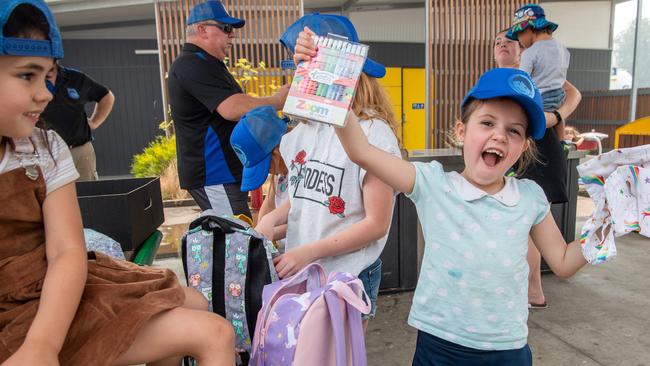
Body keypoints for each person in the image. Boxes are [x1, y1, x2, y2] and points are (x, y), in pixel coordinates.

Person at [0, 1, 235, 365]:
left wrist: (43, 345)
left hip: (52, 287)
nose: (46, 92)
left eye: (49, 75)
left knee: (198, 303)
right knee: (209, 327)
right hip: (13, 314)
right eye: (27, 75)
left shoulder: (45, 147)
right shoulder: (192, 66)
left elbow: (66, 252)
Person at [328, 64, 596, 364]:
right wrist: (328, 74)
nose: (500, 136)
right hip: (440, 346)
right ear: (461, 131)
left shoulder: (530, 197)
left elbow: (562, 262)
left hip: (508, 350)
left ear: (523, 147)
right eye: (487, 123)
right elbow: (360, 151)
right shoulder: (433, 184)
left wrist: (607, 226)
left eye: (514, 130)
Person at [255, 14, 402, 326]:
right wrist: (271, 219)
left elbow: (377, 224)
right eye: (298, 68)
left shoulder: (375, 135)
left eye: (307, 67)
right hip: (305, 270)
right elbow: (303, 197)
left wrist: (307, 252)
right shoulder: (299, 133)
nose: (298, 78)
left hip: (349, 276)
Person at [168, 0, 289, 215]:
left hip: (222, 172)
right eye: (226, 28)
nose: (232, 34)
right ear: (202, 30)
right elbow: (232, 108)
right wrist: (278, 100)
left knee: (235, 237)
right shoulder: (193, 63)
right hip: (215, 174)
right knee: (236, 239)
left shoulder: (207, 63)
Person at [494, 28, 582, 308]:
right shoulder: (496, 80)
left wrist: (555, 116)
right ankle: (527, 289)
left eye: (508, 41)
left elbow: (574, 94)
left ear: (523, 49)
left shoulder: (537, 74)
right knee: (511, 224)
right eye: (497, 42)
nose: (502, 45)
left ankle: (533, 290)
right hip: (510, 153)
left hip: (538, 152)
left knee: (528, 224)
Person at [42, 61, 115, 181]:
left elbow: (106, 96)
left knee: (87, 195)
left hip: (81, 151)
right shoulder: (29, 82)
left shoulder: (76, 78)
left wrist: (94, 122)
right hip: (47, 154)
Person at [506, 4, 570, 141]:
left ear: (530, 29)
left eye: (519, 35)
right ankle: (562, 141)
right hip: (560, 95)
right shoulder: (563, 49)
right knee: (558, 118)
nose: (519, 41)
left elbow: (522, 81)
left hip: (541, 98)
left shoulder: (530, 53)